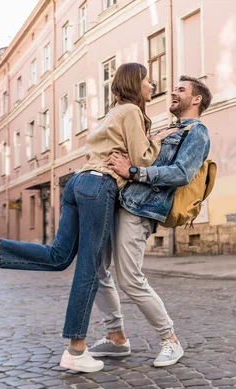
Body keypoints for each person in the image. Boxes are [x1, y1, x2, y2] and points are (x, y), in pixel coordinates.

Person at [0, 62, 161, 373]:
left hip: (78, 182)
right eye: (146, 79)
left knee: (59, 256)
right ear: (134, 83)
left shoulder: (113, 113)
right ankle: (76, 349)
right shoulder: (131, 112)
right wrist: (157, 141)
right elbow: (143, 159)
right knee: (88, 269)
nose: (152, 84)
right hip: (100, 186)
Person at [89, 76, 212, 367]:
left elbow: (181, 173)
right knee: (95, 270)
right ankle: (116, 337)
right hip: (118, 200)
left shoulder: (198, 133)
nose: (174, 92)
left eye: (181, 90)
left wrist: (134, 172)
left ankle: (170, 339)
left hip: (141, 209)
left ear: (196, 100)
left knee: (130, 279)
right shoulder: (165, 129)